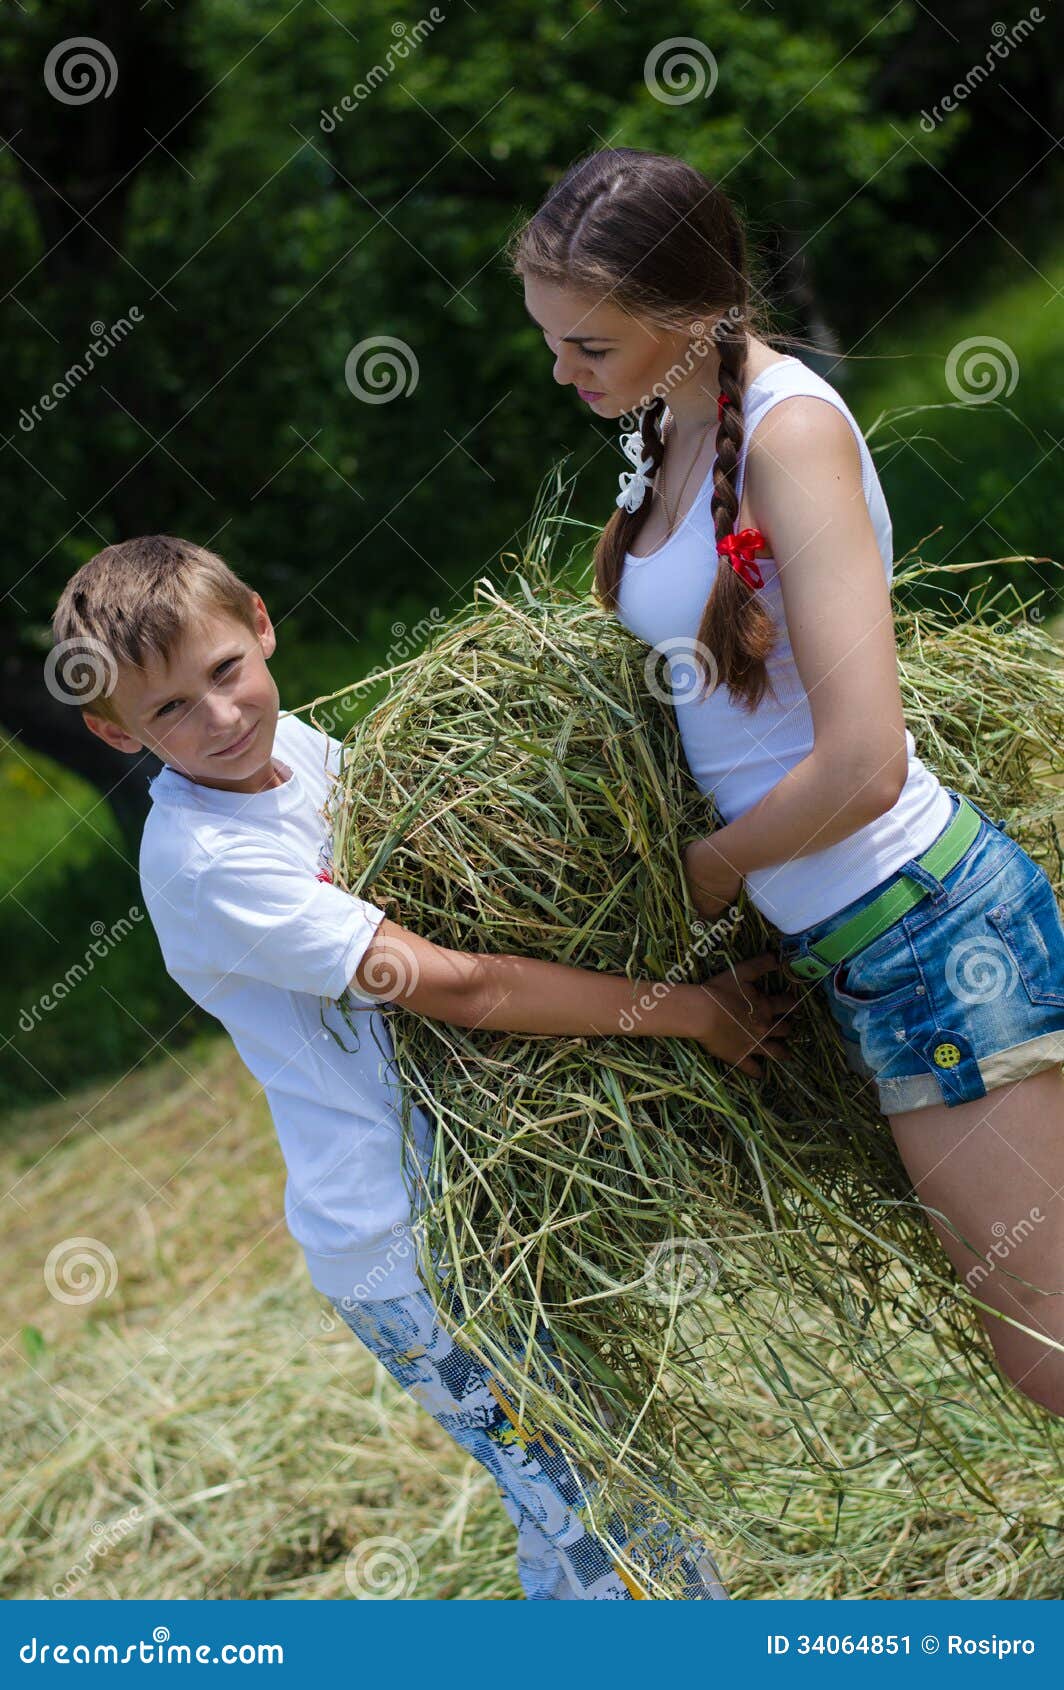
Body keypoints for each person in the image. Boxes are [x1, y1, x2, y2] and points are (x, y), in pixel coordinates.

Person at [50, 536, 790, 1597]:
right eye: (168, 710)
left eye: (224, 672)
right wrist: (690, 1014)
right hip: (409, 1251)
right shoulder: (209, 863)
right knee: (599, 1523)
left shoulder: (296, 749)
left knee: (591, 1506)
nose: (218, 718)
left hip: (484, 1196)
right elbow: (456, 984)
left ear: (260, 624)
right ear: (111, 729)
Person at [511, 146, 1064, 1418]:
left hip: (928, 932)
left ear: (686, 311)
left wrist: (700, 874)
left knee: (1045, 1357)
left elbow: (864, 764)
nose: (561, 372)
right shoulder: (668, 420)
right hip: (851, 944)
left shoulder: (789, 435)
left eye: (586, 344)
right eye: (552, 342)